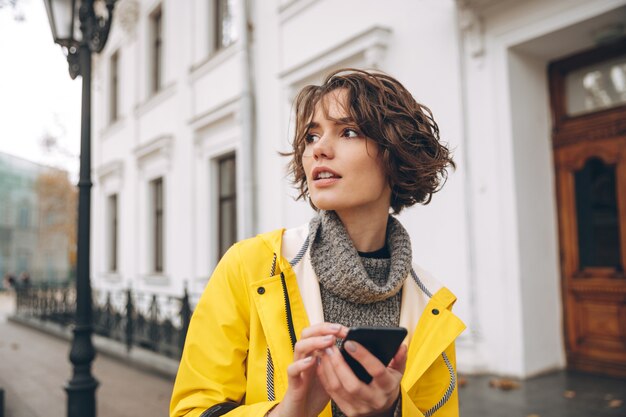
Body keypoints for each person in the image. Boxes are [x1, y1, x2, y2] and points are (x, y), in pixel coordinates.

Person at [170, 68, 465, 417]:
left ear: (396, 154)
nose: (319, 150)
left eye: (349, 132)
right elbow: (191, 409)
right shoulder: (250, 266)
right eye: (311, 137)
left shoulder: (431, 303)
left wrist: (388, 411)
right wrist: (286, 413)